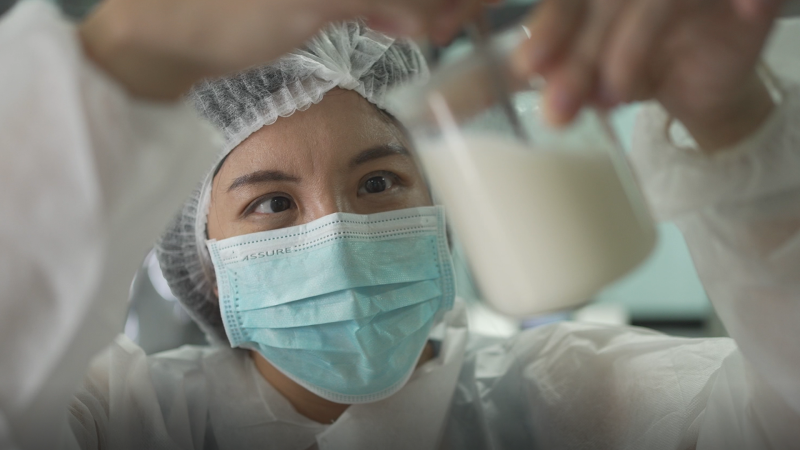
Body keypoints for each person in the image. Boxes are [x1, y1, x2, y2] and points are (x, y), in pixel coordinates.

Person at [1, 1, 799, 450]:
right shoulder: (120, 423)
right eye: (272, 203)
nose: (340, 233)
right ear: (199, 262)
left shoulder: (582, 400)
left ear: (444, 211)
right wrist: (137, 41)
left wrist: (732, 121)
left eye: (379, 181)